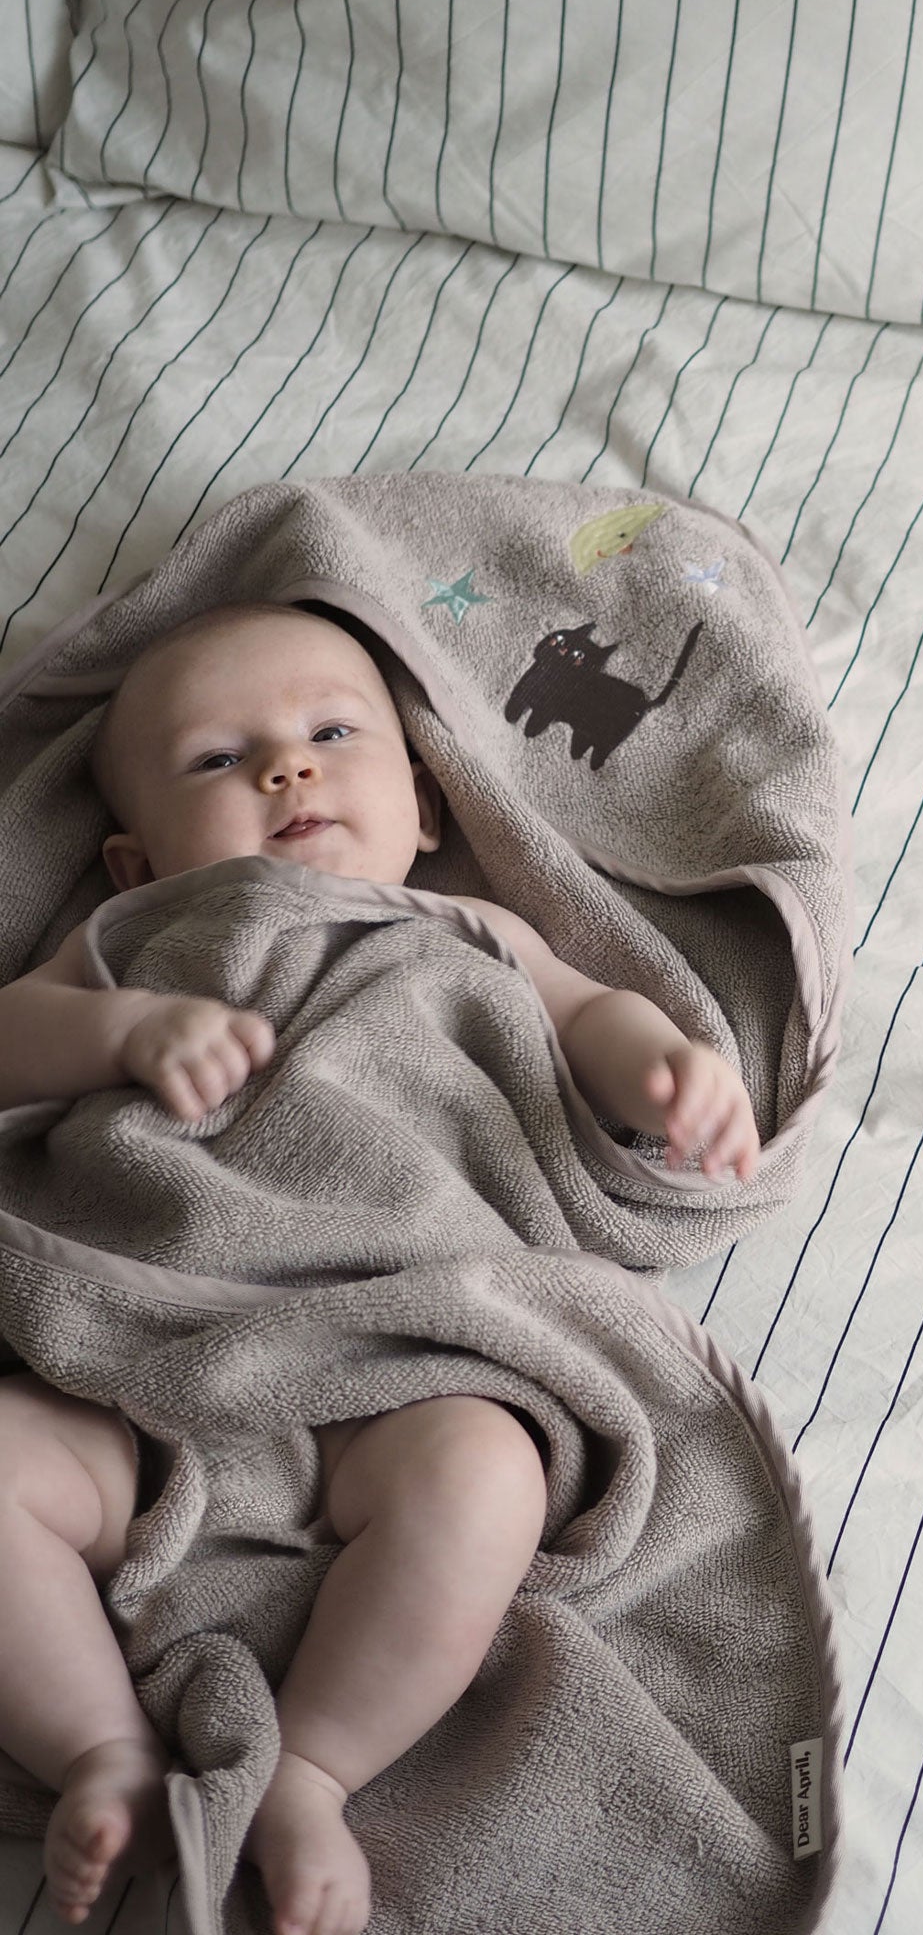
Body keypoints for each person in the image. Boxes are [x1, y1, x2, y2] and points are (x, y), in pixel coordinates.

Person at [0, 600, 762, 1935]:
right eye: (213, 762)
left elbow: (595, 1015)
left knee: (486, 1476)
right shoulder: (139, 942)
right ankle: (99, 1753)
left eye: (329, 733)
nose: (282, 769)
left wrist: (671, 1074)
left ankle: (314, 1767)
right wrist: (121, 1032)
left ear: (422, 805)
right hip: (143, 1365)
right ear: (132, 860)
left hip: (401, 1364)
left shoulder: (468, 931)